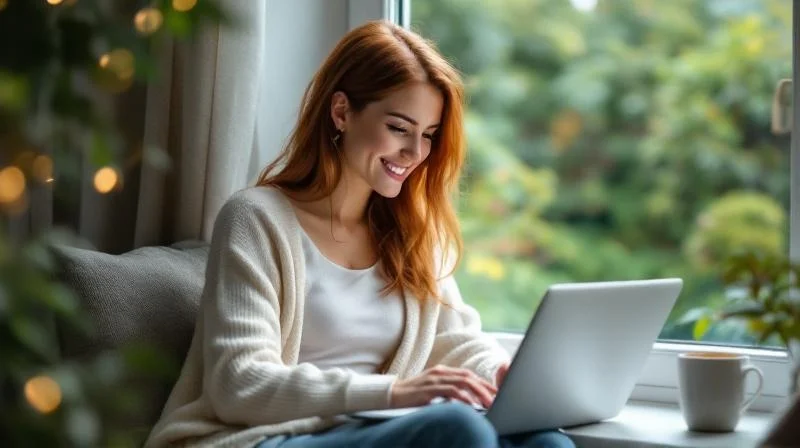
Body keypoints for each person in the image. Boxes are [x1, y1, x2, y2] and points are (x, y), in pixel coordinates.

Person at [144, 20, 575, 448]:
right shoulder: (256, 219)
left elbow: (455, 343)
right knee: (456, 429)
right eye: (399, 128)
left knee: (545, 442)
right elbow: (238, 383)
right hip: (264, 438)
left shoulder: (414, 233)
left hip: (373, 432)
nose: (415, 153)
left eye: (428, 135)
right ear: (341, 112)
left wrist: (501, 375)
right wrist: (394, 394)